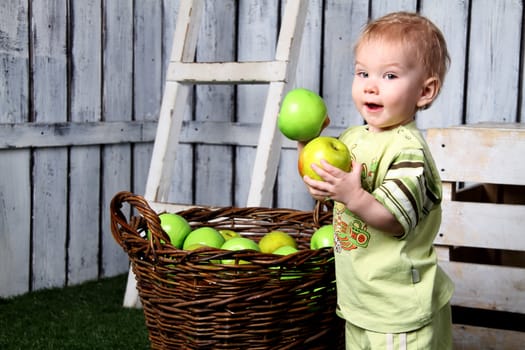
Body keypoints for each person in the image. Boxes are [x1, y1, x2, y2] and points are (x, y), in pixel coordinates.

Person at [298, 12, 455, 349]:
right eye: (363, 72)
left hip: (397, 309)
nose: (370, 84)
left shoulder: (408, 151)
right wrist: (308, 151)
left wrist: (352, 196)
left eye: (389, 75)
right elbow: (335, 188)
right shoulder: (354, 138)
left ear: (425, 91)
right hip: (361, 300)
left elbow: (394, 219)